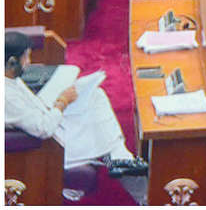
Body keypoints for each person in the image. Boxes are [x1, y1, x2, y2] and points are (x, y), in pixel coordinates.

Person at [5, 31, 148, 200]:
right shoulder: (7, 97)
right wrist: (62, 102)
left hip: (48, 118)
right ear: (12, 62)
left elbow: (33, 106)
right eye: (26, 58)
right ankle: (143, 193)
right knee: (105, 138)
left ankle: (118, 157)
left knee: (95, 95)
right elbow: (44, 129)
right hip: (48, 147)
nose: (29, 63)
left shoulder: (9, 76)